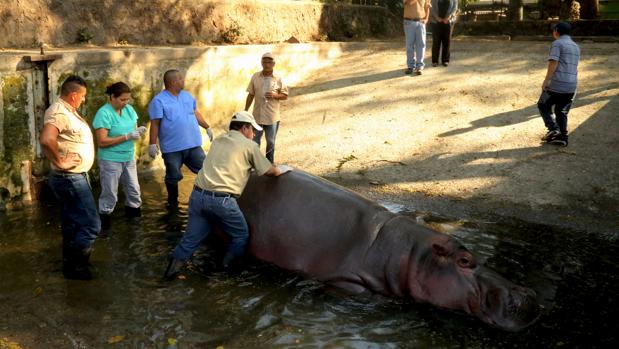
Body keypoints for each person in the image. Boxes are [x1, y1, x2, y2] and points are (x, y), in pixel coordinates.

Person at [163, 111, 285, 280]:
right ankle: (224, 274)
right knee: (240, 235)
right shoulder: (249, 146)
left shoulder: (218, 140)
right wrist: (281, 170)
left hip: (198, 196)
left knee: (189, 241)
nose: (254, 133)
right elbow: (269, 171)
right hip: (222, 201)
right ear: (244, 128)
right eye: (252, 130)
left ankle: (167, 278)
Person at [39, 75, 100, 280]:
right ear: (73, 95)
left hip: (73, 176)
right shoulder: (58, 112)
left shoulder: (68, 110)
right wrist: (61, 161)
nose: (84, 100)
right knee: (92, 225)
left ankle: (70, 267)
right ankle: (78, 267)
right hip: (70, 178)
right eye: (83, 96)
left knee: (72, 223)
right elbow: (47, 139)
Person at [147, 69, 214, 206]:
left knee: (207, 171)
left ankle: (209, 199)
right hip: (172, 148)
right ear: (173, 82)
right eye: (180, 79)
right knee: (173, 177)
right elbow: (155, 123)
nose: (183, 81)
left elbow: (196, 113)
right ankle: (172, 202)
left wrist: (207, 127)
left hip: (193, 145)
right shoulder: (159, 101)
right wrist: (152, 144)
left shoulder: (187, 96)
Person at [92, 82, 146, 235]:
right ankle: (105, 228)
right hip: (110, 159)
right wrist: (127, 136)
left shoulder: (129, 110)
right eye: (122, 99)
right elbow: (102, 142)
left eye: (128, 99)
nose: (126, 102)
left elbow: (133, 131)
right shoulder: (104, 113)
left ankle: (134, 227)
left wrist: (138, 132)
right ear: (112, 97)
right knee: (110, 194)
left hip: (128, 157)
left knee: (134, 191)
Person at [538, 22, 580, 147]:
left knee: (543, 104)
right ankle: (563, 137)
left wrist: (547, 80)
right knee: (561, 111)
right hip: (571, 85)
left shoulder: (557, 44)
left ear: (556, 31)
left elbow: (553, 62)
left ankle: (553, 128)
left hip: (557, 84)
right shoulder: (576, 46)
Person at [244, 52, 289, 163]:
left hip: (272, 117)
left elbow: (285, 95)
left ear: (273, 64)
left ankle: (269, 164)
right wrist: (245, 110)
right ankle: (255, 164)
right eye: (264, 61)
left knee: (270, 142)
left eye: (269, 62)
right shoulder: (255, 76)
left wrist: (275, 95)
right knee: (254, 141)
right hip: (257, 116)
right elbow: (250, 94)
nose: (267, 64)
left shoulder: (278, 78)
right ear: (261, 63)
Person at [403, 0, 431, 75]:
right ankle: (410, 67)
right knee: (409, 45)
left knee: (421, 45)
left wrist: (426, 19)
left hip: (421, 22)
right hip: (409, 22)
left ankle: (419, 67)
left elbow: (427, 7)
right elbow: (408, 2)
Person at [430, 0, 457, 67]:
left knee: (446, 42)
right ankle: (435, 61)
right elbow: (431, 8)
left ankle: (445, 60)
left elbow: (454, 9)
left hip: (448, 22)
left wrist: (449, 18)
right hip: (436, 22)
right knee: (436, 42)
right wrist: (437, 18)